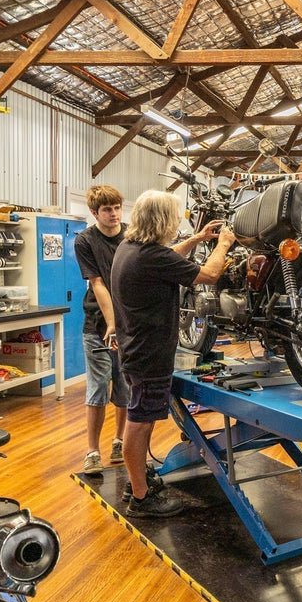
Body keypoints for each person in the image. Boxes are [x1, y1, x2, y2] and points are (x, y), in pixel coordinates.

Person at [110, 190, 233, 517]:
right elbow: (210, 275)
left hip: (137, 350)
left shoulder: (130, 248)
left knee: (143, 419)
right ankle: (140, 498)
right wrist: (223, 245)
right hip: (149, 356)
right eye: (175, 217)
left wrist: (196, 239)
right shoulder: (152, 256)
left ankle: (137, 481)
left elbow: (170, 258)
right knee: (139, 424)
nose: (177, 222)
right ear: (162, 221)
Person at [73, 184, 129, 475]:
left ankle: (119, 441)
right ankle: (92, 451)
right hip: (97, 325)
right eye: (107, 209)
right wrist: (111, 324)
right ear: (94, 212)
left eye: (117, 207)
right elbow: (97, 283)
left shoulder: (131, 235)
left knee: (124, 386)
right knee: (98, 387)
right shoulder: (85, 241)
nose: (114, 214)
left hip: (129, 325)